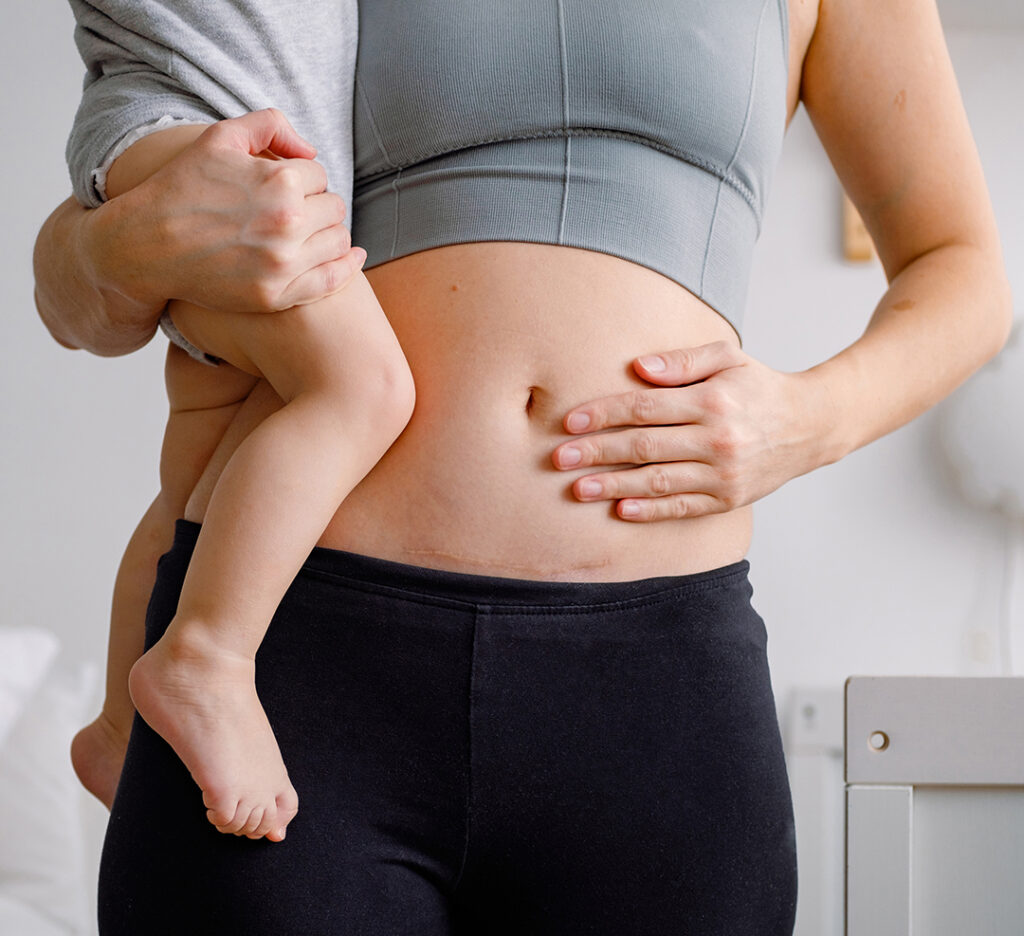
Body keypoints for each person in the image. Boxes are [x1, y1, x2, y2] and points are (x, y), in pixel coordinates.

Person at [34, 0, 1012, 933]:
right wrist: (117, 243)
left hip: (651, 689)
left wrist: (811, 418)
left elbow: (962, 269)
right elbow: (76, 269)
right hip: (297, 660)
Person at [62, 0, 413, 843]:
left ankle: (118, 729)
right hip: (187, 136)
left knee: (199, 483)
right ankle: (206, 657)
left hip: (252, 157)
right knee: (365, 387)